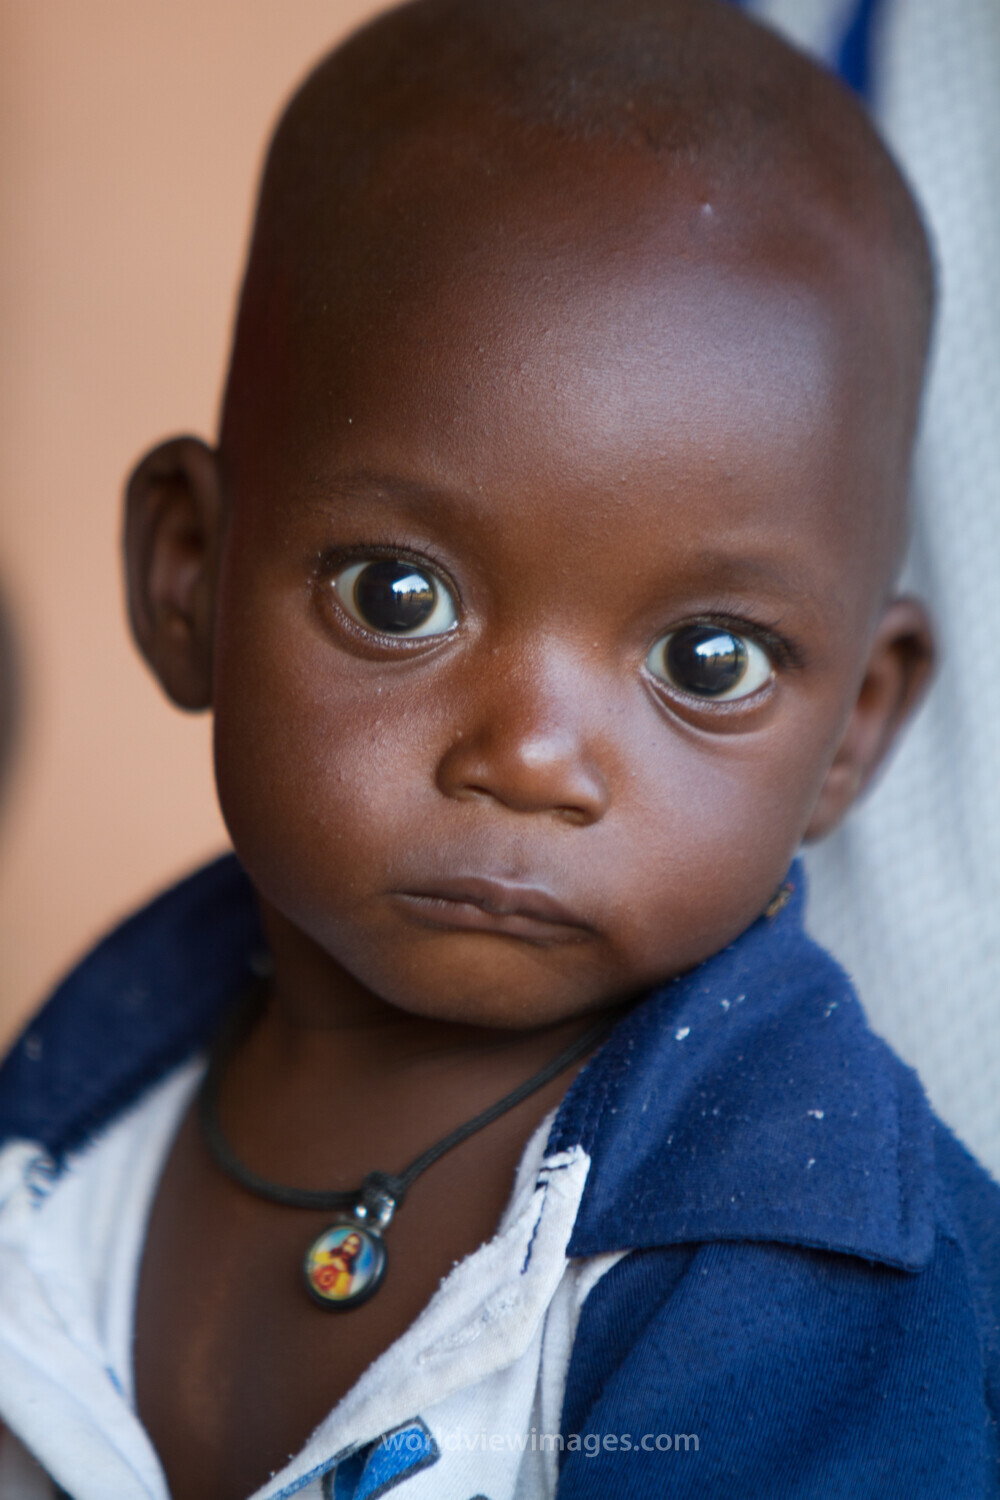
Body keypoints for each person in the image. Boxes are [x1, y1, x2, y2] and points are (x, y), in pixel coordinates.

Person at [0, 0, 996, 1496]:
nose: (530, 757)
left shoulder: (818, 1283)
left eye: (704, 663)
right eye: (400, 598)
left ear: (854, 726)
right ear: (189, 574)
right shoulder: (81, 1100)